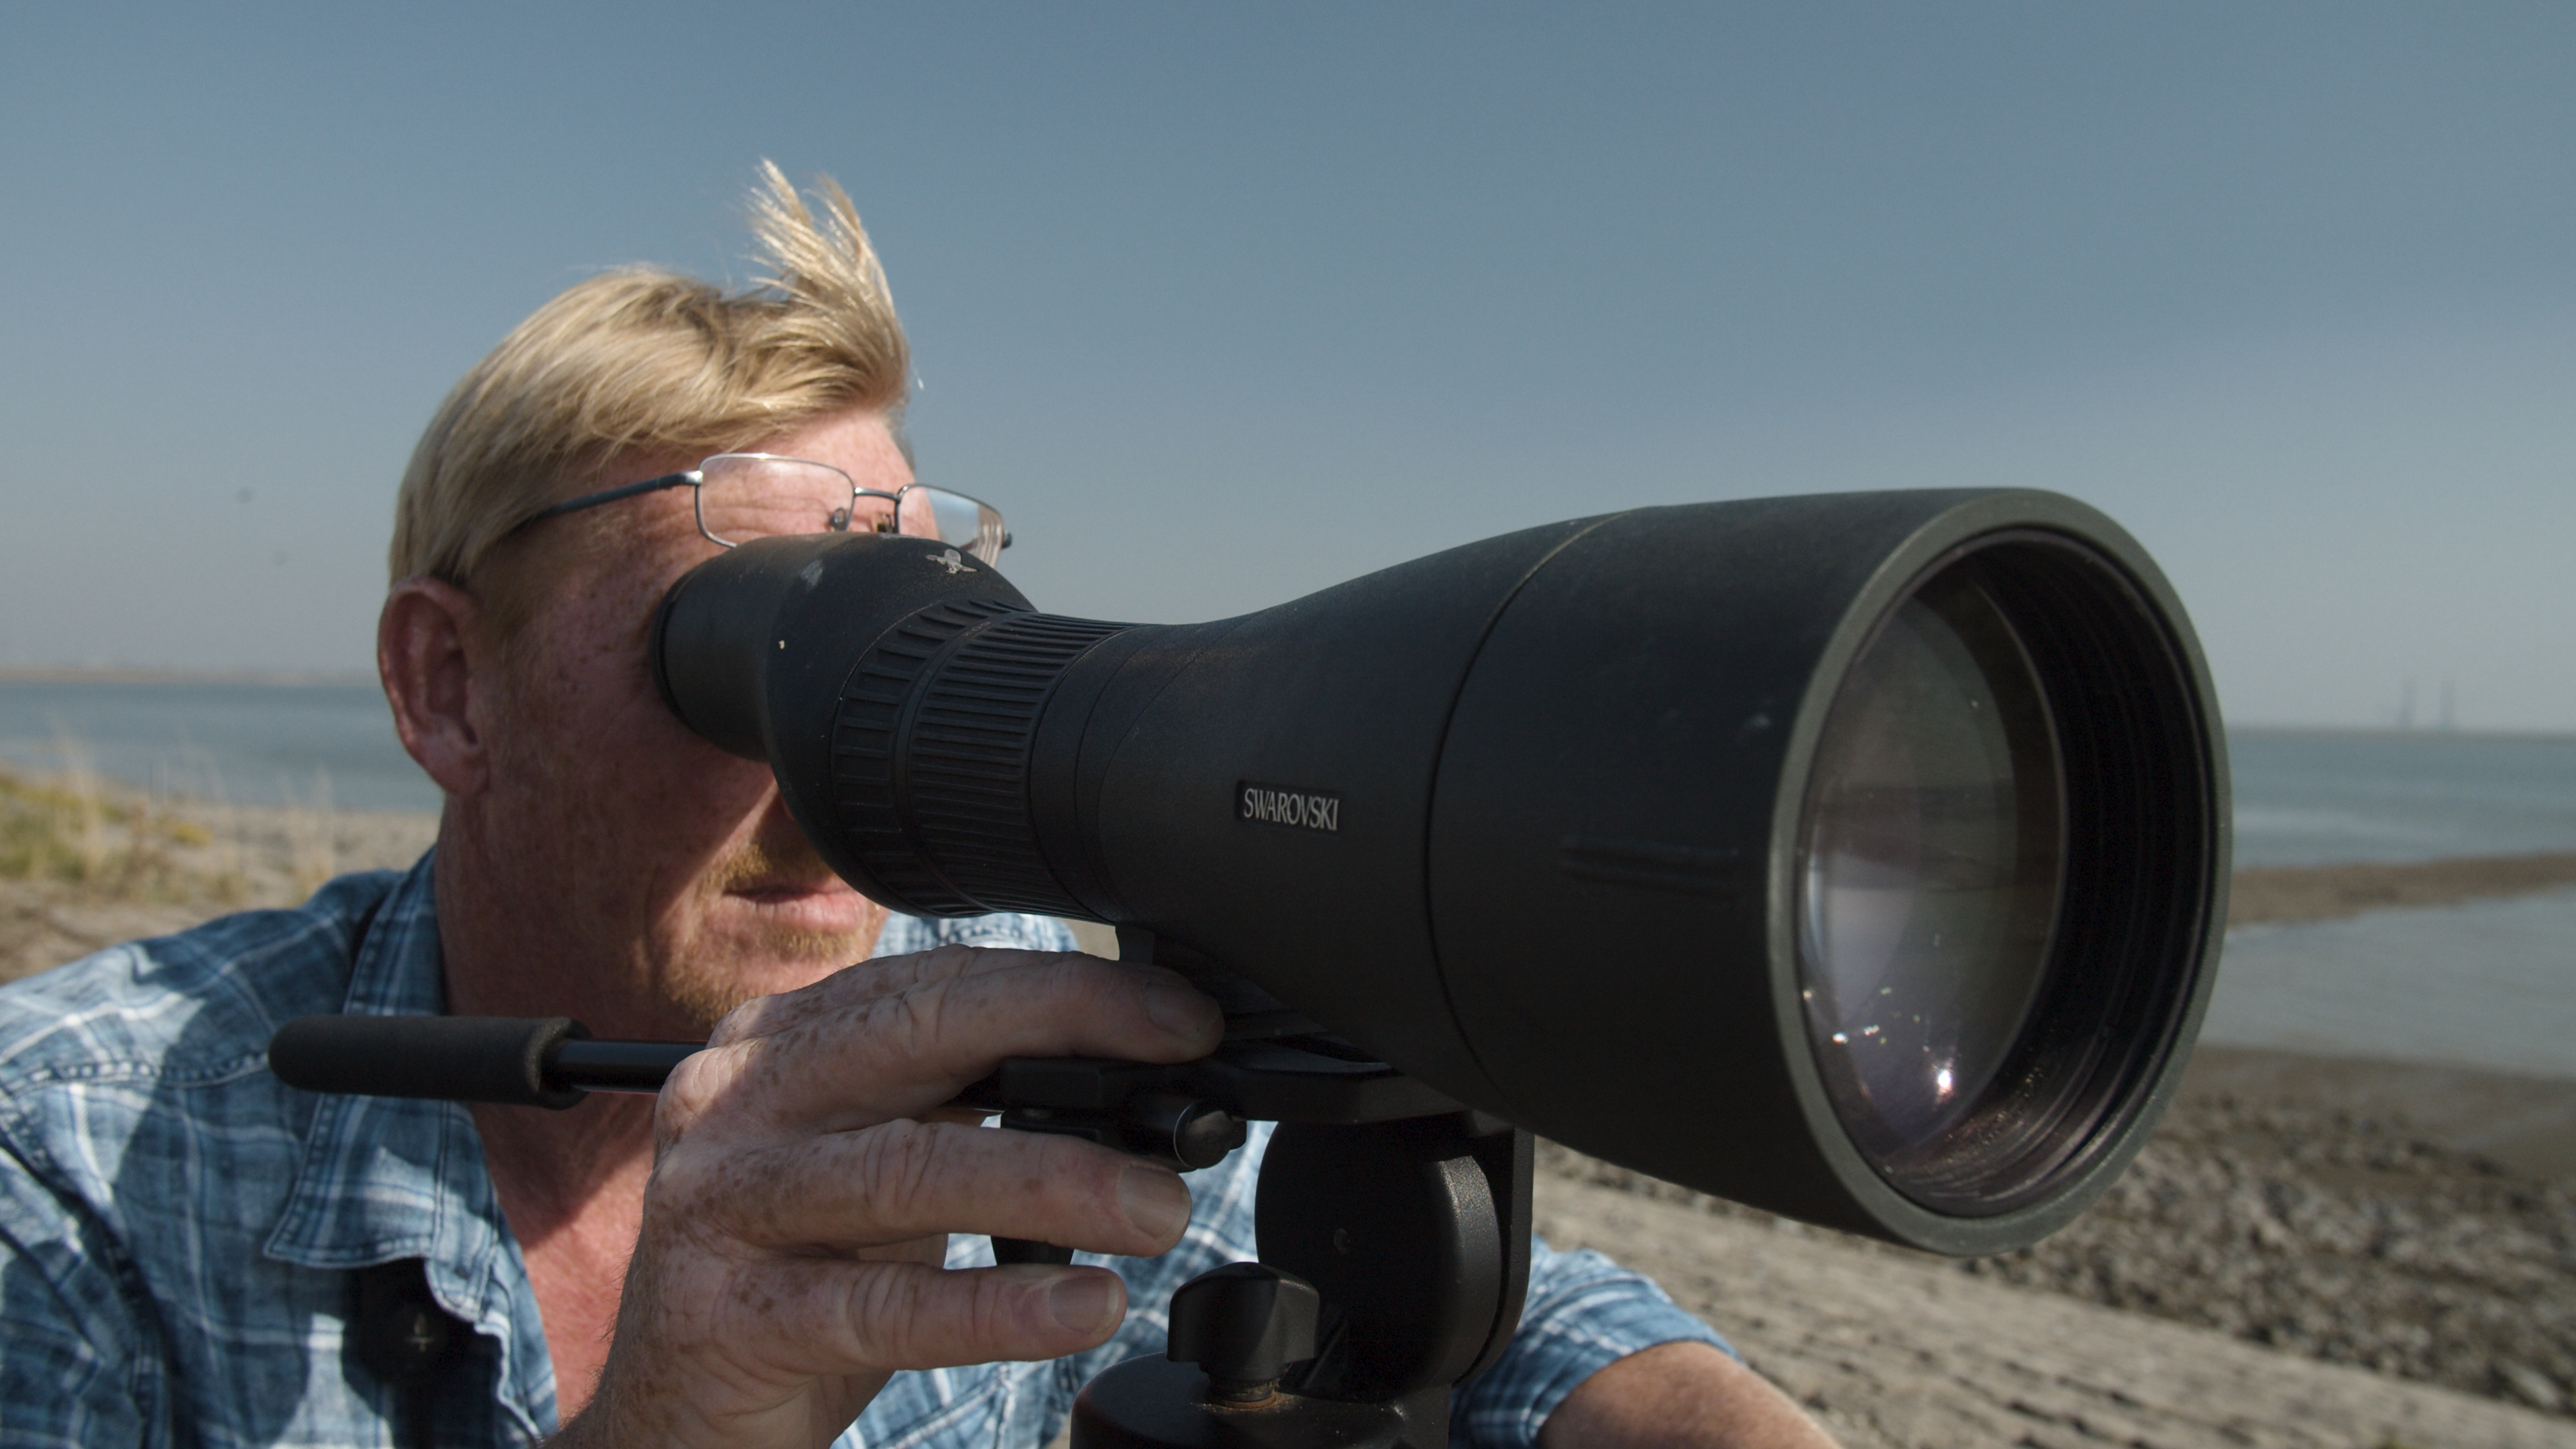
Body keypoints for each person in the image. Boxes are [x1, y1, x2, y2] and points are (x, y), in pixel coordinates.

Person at [0, 164, 1837, 1449]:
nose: (846, 768)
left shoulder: (993, 993)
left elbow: (1461, 1301)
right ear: (446, 689)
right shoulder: (75, 1171)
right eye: (748, 652)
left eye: (915, 655)